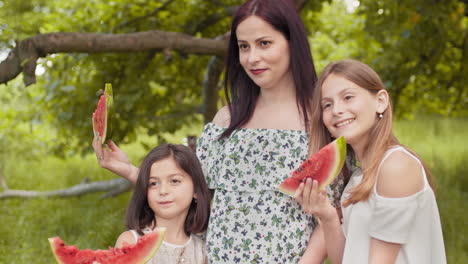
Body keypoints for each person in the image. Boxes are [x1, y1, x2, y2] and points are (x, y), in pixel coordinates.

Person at [93, 0, 344, 262]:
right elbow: (189, 191)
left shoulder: (322, 119)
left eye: (264, 43)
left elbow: (331, 213)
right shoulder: (227, 119)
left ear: (292, 43)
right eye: (243, 47)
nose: (252, 58)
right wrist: (132, 171)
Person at [294, 59, 446, 264]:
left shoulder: (396, 166)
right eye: (327, 105)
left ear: (381, 101)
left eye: (348, 97)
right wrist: (328, 216)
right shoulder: (358, 178)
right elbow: (347, 259)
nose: (337, 110)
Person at [114, 144, 211, 264]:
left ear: (196, 190)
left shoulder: (203, 250)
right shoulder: (130, 241)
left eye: (175, 181)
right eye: (153, 183)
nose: (163, 191)